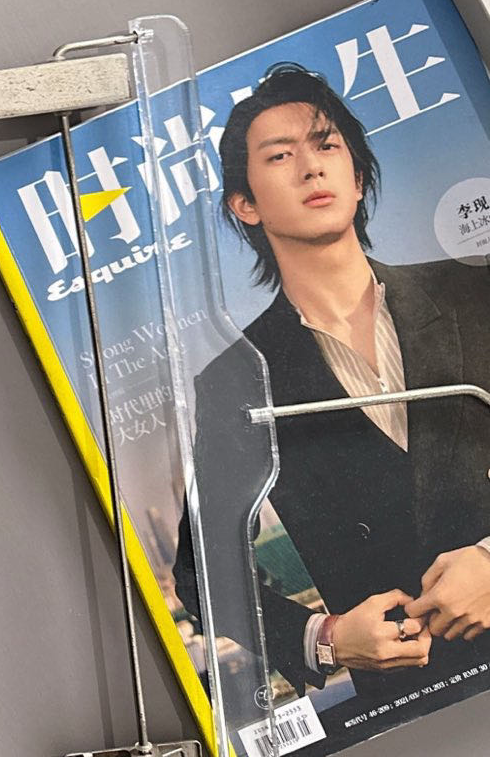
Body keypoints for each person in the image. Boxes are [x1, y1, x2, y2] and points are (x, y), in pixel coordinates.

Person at [172, 63, 490, 706]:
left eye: (326, 145)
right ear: (245, 204)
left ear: (358, 176)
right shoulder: (236, 378)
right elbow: (199, 570)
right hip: (414, 698)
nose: (311, 168)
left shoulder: (472, 288)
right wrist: (326, 637)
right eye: (279, 155)